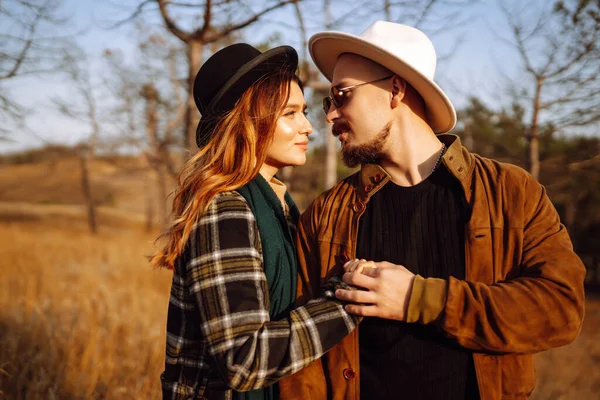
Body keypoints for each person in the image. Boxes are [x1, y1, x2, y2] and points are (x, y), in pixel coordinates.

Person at [277, 21, 586, 400]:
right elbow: (303, 364)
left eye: (341, 96)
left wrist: (418, 299)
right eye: (329, 101)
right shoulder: (327, 215)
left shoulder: (511, 192)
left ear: (395, 89)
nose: (328, 116)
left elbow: (561, 310)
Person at [152, 43, 359, 400]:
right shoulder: (225, 209)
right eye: (290, 113)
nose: (309, 127)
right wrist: (348, 301)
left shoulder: (280, 206)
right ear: (250, 120)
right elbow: (244, 360)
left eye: (305, 111)